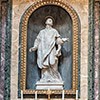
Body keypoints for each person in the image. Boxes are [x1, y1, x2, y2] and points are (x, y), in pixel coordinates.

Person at [29, 17, 68, 83]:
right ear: (46, 22)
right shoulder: (42, 32)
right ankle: (45, 78)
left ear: (52, 23)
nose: (50, 21)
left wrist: (62, 41)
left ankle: (55, 78)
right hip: (43, 50)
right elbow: (37, 40)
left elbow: (58, 41)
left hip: (52, 50)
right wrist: (35, 47)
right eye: (49, 20)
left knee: (53, 64)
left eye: (51, 20)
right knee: (44, 65)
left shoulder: (54, 31)